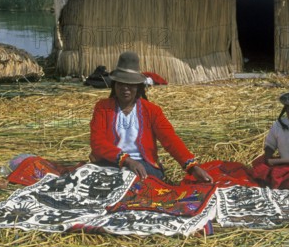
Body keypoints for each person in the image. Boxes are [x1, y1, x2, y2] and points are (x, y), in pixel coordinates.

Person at [89, 51, 213, 183]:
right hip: (110, 162)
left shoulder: (152, 111)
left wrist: (192, 167)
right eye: (121, 83)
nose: (125, 88)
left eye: (130, 84)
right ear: (115, 85)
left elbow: (170, 140)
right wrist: (126, 160)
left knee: (135, 183)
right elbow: (97, 142)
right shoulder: (102, 108)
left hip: (143, 164)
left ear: (138, 87)